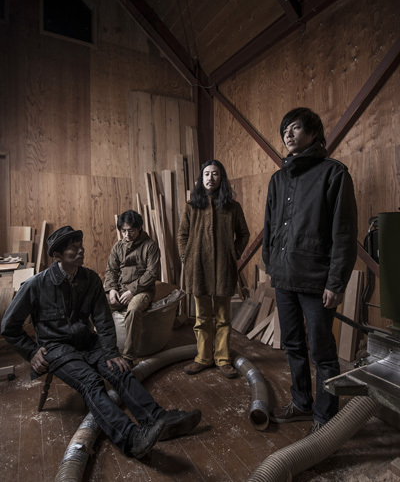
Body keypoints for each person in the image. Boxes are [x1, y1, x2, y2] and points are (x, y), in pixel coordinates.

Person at [1, 226, 201, 459]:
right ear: (57, 256)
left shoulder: (90, 279)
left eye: (80, 245)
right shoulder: (36, 285)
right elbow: (8, 326)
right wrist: (32, 351)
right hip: (56, 348)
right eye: (73, 248)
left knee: (120, 370)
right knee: (91, 382)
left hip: (87, 341)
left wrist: (110, 351)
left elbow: (103, 320)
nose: (81, 250)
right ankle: (130, 438)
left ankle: (157, 419)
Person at [262, 107, 358, 433]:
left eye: (296, 128)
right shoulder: (278, 179)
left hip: (317, 281)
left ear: (314, 133)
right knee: (292, 345)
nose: (288, 134)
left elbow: (344, 233)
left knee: (323, 353)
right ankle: (302, 403)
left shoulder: (334, 173)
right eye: (284, 130)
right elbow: (270, 227)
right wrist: (271, 266)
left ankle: (325, 417)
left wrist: (336, 282)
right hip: (284, 278)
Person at [178, 160, 250, 379]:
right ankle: (203, 357)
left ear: (222, 178)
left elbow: (244, 234)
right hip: (198, 268)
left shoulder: (232, 207)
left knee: (223, 317)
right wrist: (187, 257)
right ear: (201, 178)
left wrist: (233, 253)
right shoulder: (192, 206)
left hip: (223, 269)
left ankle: (222, 358)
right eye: (207, 174)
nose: (210, 178)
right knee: (201, 317)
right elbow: (182, 235)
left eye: (215, 174)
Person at [105, 210, 160, 366]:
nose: (127, 234)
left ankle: (129, 357)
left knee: (134, 309)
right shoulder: (118, 247)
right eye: (123, 231)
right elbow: (111, 270)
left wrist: (132, 291)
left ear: (139, 228)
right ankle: (98, 348)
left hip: (143, 290)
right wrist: (112, 289)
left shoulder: (150, 245)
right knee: (95, 303)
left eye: (131, 230)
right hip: (120, 288)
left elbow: (152, 273)